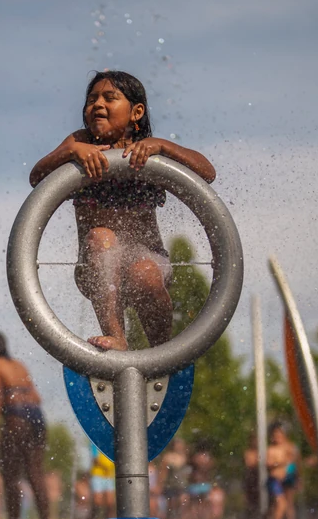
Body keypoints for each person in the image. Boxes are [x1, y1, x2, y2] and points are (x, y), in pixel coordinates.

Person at [29, 70, 216, 352]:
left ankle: (162, 352)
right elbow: (36, 178)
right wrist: (70, 153)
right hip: (96, 266)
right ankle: (117, 337)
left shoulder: (147, 151)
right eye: (91, 99)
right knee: (102, 237)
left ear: (136, 112)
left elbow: (207, 173)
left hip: (149, 259)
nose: (98, 105)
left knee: (144, 272)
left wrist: (163, 147)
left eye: (110, 98)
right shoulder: (80, 143)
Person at [0, 330, 54, 519]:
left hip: (16, 416)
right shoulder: (18, 365)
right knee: (36, 473)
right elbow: (36, 396)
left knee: (11, 475)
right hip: (37, 416)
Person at [266, 422, 290, 519]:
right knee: (281, 505)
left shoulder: (284, 448)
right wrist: (279, 463)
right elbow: (268, 464)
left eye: (280, 435)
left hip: (280, 482)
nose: (278, 438)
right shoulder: (271, 450)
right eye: (276, 436)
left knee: (276, 506)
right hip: (273, 480)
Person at [158, 437, 190, 519]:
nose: (179, 446)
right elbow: (163, 472)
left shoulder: (185, 456)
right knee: (171, 505)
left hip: (182, 486)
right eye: (178, 444)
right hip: (170, 485)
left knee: (183, 502)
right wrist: (160, 485)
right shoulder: (168, 457)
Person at [243, 433, 264, 519]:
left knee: (263, 504)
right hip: (251, 481)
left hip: (261, 481)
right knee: (252, 505)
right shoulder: (249, 452)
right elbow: (250, 463)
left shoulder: (263, 451)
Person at [89, 444, 115, 519]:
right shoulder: (95, 443)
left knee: (110, 502)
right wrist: (104, 467)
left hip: (109, 475)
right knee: (97, 501)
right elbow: (94, 459)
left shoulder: (112, 442)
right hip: (98, 475)